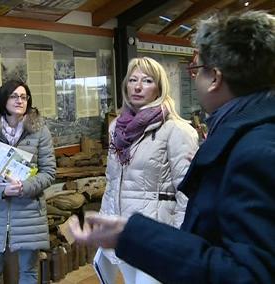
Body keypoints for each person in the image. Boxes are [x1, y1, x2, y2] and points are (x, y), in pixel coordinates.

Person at [69, 10, 275, 284]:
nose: (193, 79)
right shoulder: (242, 138)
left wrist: (149, 239)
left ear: (215, 78)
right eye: (132, 79)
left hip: (159, 239)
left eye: (197, 70)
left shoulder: (254, 150)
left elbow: (249, 273)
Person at [97, 57, 198, 284]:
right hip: (122, 232)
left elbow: (187, 191)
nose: (138, 86)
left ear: (160, 87)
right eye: (133, 80)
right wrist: (105, 222)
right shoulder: (117, 128)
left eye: (147, 80)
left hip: (157, 235)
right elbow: (112, 182)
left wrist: (180, 240)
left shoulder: (177, 129)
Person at [0, 80, 56, 283]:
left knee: (29, 272)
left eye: (24, 97)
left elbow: (49, 172)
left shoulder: (40, 131)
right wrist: (1, 191)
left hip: (28, 213)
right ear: (3, 100)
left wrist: (24, 187)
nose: (20, 100)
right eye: (14, 96)